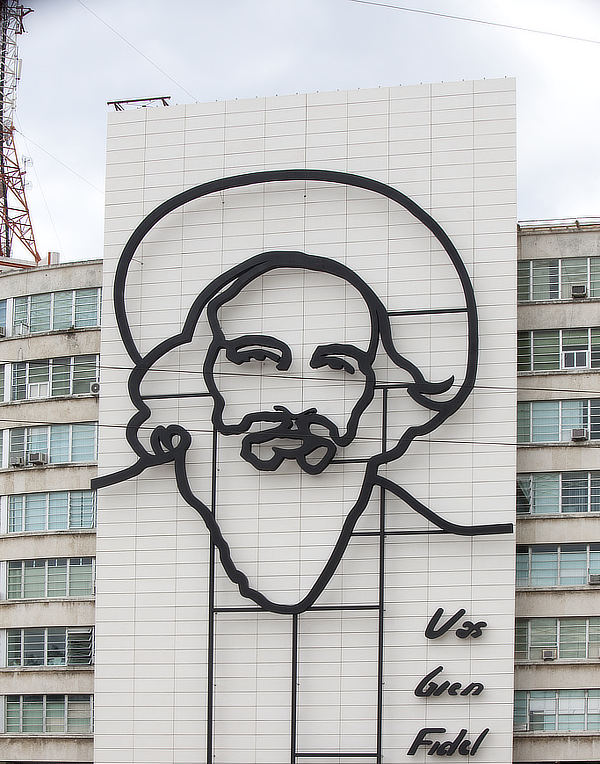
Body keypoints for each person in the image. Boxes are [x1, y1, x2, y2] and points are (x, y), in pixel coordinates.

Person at [95, 173, 512, 616]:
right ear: (191, 378)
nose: (296, 404)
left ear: (378, 393)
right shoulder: (122, 525)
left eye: (338, 367)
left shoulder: (447, 549)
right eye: (256, 360)